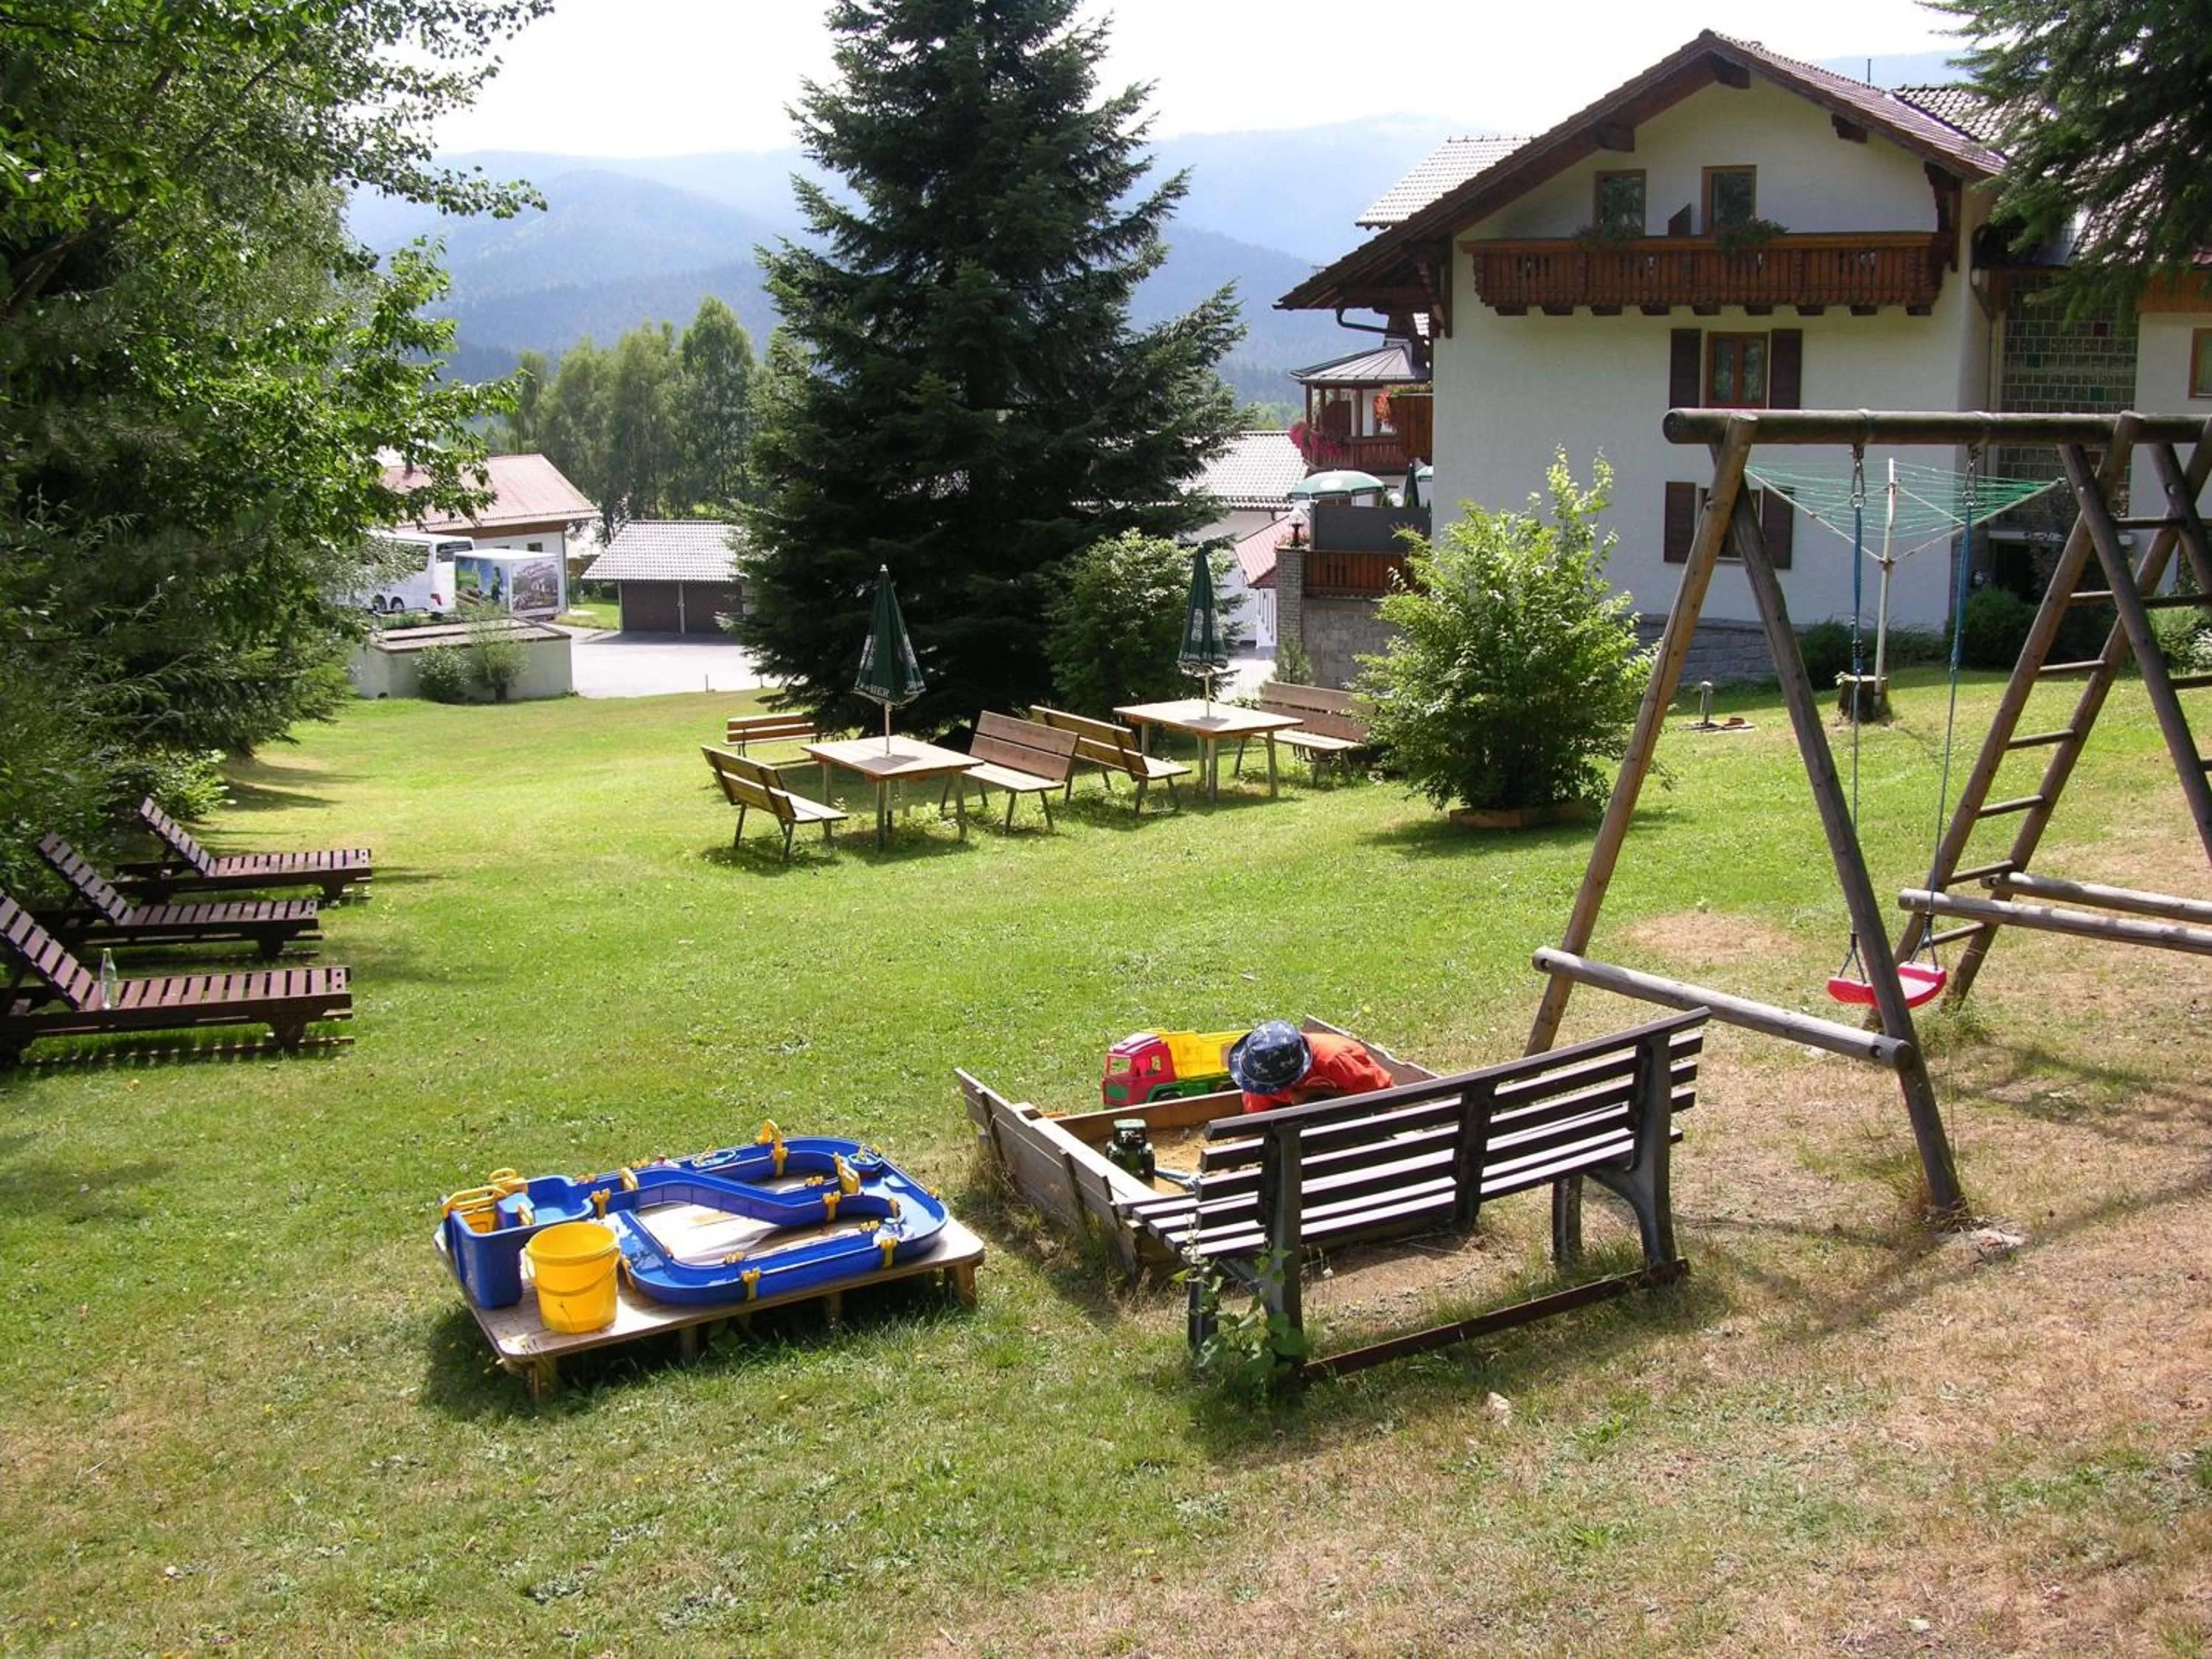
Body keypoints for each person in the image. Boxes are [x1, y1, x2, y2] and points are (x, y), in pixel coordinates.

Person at [1227, 1020, 1394, 1114]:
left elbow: (1382, 1097)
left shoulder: (1333, 1060)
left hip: (1353, 1118)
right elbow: (1257, 1119)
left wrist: (1315, 1094)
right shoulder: (1259, 1078)